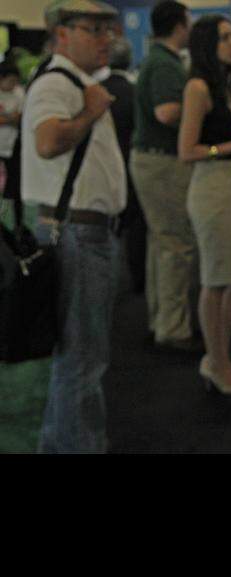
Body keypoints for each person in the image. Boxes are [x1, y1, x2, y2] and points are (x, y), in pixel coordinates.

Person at [22, 0, 127, 452]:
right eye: (94, 29)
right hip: (78, 235)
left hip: (83, 233)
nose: (107, 39)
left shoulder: (75, 82)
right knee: (82, 361)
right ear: (62, 34)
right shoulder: (57, 82)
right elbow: (48, 142)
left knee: (80, 358)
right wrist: (90, 112)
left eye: (109, 29)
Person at [178, 14, 231, 395]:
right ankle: (217, 362)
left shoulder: (222, 86)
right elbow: (187, 151)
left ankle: (218, 358)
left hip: (229, 184)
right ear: (208, 44)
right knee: (217, 280)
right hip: (210, 189)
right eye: (226, 37)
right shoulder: (198, 87)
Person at [130, 0, 199, 349]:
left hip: (151, 160)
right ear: (179, 26)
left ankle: (161, 320)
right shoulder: (165, 64)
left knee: (162, 244)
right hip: (162, 162)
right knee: (176, 246)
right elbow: (167, 113)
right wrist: (201, 108)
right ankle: (173, 329)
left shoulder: (156, 59)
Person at [100, 36, 146, 295]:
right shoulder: (135, 92)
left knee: (106, 225)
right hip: (131, 163)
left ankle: (107, 280)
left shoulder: (97, 91)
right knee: (136, 225)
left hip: (103, 167)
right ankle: (139, 279)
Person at [0, 61, 24, 203]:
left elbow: (20, 117)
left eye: (15, 81)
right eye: (10, 81)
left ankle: (15, 215)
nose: (13, 85)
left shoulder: (19, 93)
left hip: (13, 143)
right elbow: (14, 117)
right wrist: (10, 118)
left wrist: (6, 118)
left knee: (14, 181)